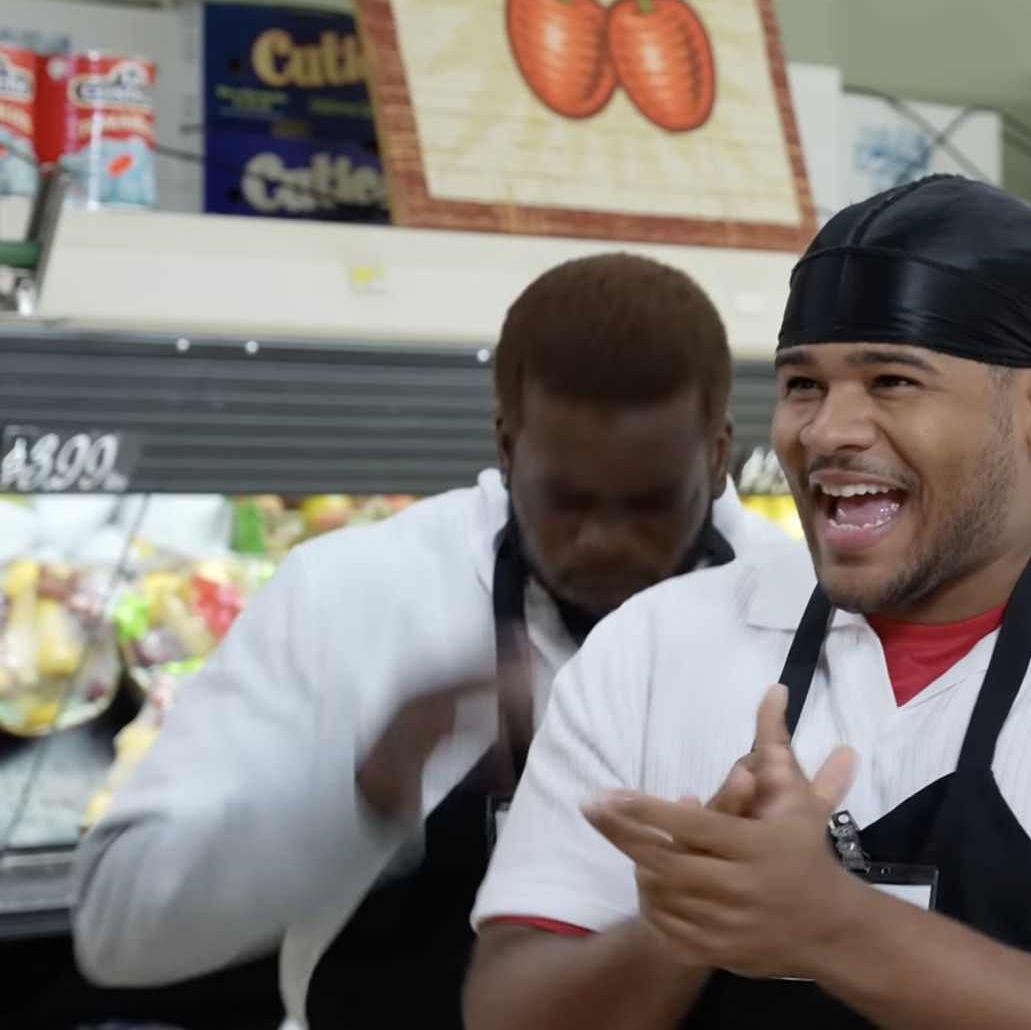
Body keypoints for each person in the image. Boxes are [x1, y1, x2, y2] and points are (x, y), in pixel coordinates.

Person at [463, 176, 1031, 1030]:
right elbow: (506, 1005)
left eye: (892, 381)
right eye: (803, 384)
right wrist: (682, 922)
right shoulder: (653, 647)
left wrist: (841, 928)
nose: (828, 429)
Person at [70, 253, 803, 1030]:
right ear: (506, 447)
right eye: (565, 500)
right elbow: (118, 928)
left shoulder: (808, 614)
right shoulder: (352, 593)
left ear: (717, 456)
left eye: (650, 504)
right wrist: (365, 796)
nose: (604, 541)